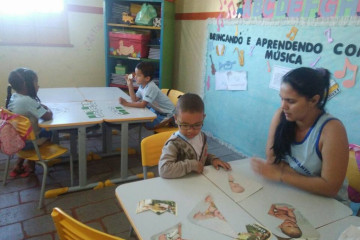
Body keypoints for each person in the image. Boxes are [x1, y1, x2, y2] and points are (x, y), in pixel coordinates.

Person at [251, 67, 349, 202]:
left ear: (314, 100)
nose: (283, 106)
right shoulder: (281, 116)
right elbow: (272, 161)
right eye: (282, 99)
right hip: (295, 192)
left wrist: (282, 174)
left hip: (328, 204)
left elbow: (330, 188)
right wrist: (307, 180)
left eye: (291, 101)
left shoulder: (332, 130)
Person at [158, 93, 231, 178]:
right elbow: (164, 170)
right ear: (176, 119)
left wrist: (212, 159)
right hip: (182, 184)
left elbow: (200, 155)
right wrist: (191, 165)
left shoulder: (201, 136)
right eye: (185, 125)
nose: (191, 130)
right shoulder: (173, 144)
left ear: (203, 118)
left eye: (197, 125)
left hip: (198, 181)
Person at [5, 67, 53, 177]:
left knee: (30, 134)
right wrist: (48, 109)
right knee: (50, 131)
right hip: (28, 143)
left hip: (18, 140)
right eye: (36, 82)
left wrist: (39, 106)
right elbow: (48, 116)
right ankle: (31, 165)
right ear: (26, 85)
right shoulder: (27, 101)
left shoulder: (14, 96)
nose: (38, 85)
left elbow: (30, 107)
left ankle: (18, 165)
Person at [118, 62, 175, 130]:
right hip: (156, 109)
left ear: (147, 78)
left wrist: (126, 103)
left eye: (138, 75)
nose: (135, 77)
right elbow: (134, 99)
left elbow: (142, 105)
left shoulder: (151, 87)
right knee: (143, 120)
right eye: (135, 74)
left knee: (149, 126)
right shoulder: (142, 85)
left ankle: (171, 118)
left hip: (167, 112)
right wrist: (130, 84)